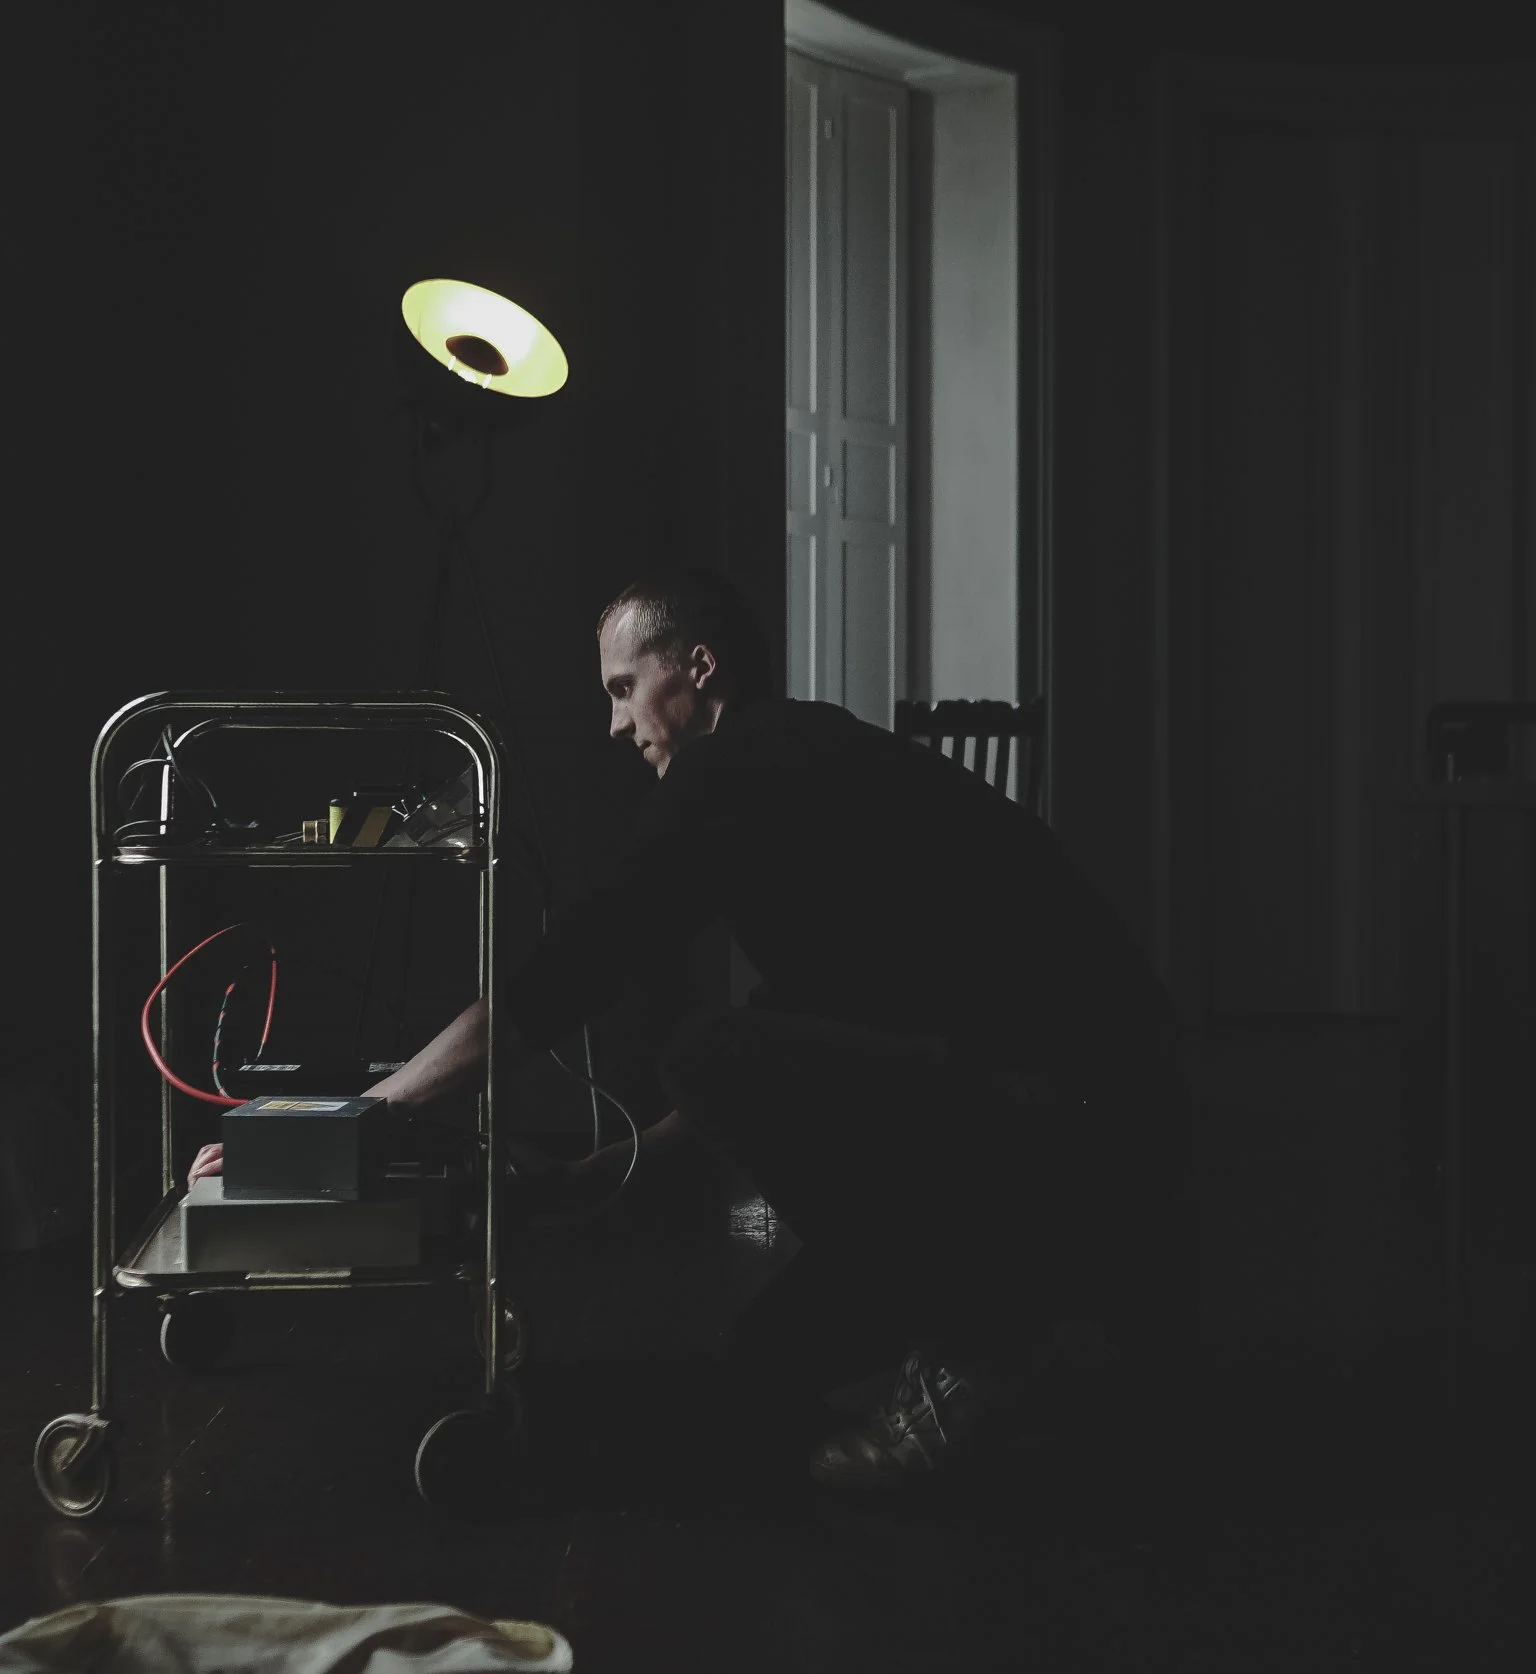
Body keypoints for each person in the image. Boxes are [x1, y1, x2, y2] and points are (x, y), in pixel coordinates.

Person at [192, 568, 1193, 1492]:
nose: (615, 723)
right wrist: (578, 1182)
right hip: (1094, 1128)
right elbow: (801, 1055)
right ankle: (1028, 1322)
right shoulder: (812, 764)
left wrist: (371, 1112)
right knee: (765, 1359)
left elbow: (571, 973)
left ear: (700, 668)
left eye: (625, 687)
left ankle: (984, 1345)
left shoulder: (740, 765)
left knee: (706, 1056)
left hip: (1071, 1126)